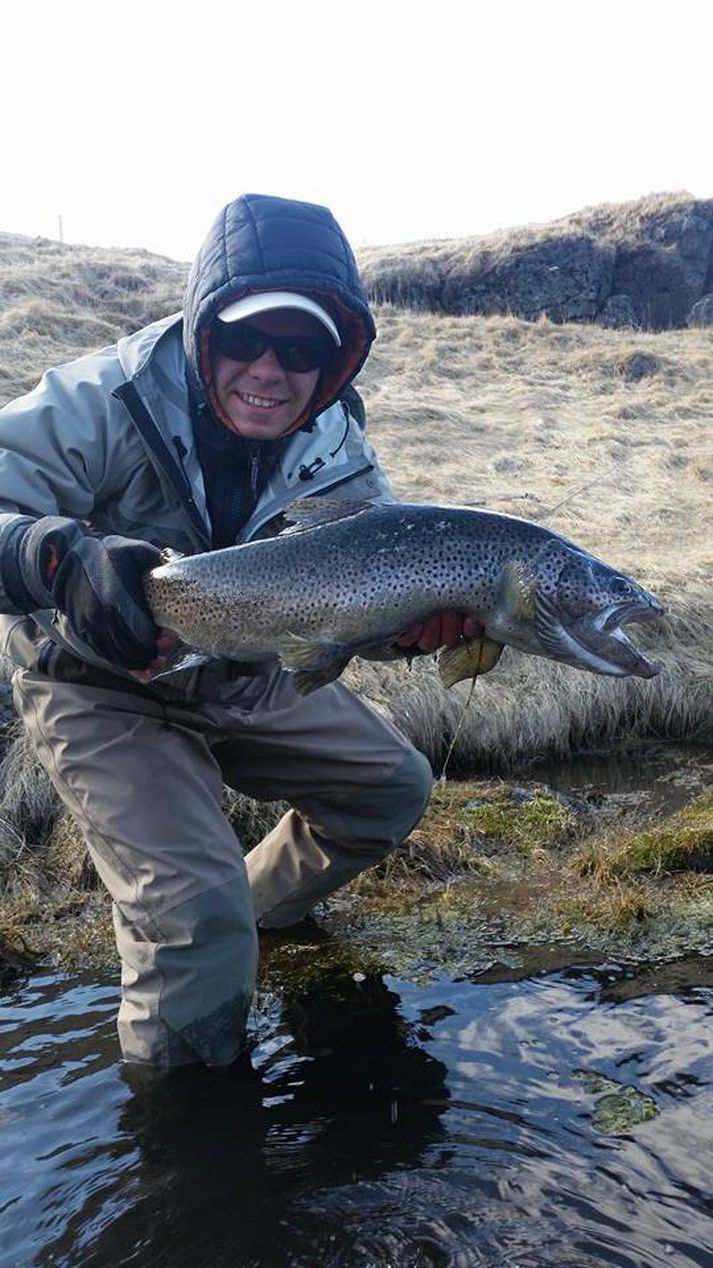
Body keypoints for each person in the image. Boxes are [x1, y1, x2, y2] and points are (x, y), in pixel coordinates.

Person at [0, 194, 478, 1069]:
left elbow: (349, 608)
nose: (270, 369)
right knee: (191, 916)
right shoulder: (103, 399)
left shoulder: (337, 445)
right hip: (101, 684)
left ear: (336, 365)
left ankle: (254, 917)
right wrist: (55, 558)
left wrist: (400, 631)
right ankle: (187, 1126)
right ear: (202, 332)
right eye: (245, 341)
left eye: (300, 352)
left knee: (388, 791)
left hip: (248, 672)